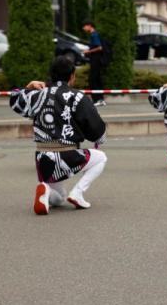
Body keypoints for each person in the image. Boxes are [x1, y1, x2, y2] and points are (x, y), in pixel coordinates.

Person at [10, 55, 108, 215]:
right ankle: (77, 193)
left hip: (42, 158)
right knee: (101, 158)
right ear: (72, 76)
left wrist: (28, 87)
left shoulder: (38, 94)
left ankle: (45, 189)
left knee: (59, 199)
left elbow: (15, 100)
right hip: (67, 156)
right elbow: (97, 131)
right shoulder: (77, 96)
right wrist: (99, 137)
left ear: (51, 74)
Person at [81, 20, 107, 108]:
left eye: (84, 26)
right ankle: (101, 99)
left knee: (93, 80)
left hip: (96, 60)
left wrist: (88, 51)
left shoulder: (94, 35)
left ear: (89, 26)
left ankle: (97, 100)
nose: (83, 28)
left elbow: (99, 48)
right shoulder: (95, 34)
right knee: (97, 79)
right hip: (97, 60)